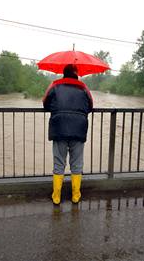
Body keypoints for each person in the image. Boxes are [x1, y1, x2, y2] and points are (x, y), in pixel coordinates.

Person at [43, 64, 93, 204]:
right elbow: (90, 106)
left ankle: (56, 197)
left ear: (63, 73)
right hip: (78, 129)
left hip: (59, 128)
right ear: (76, 74)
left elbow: (45, 103)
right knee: (76, 163)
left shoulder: (54, 85)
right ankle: (76, 196)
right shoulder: (84, 88)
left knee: (59, 162)